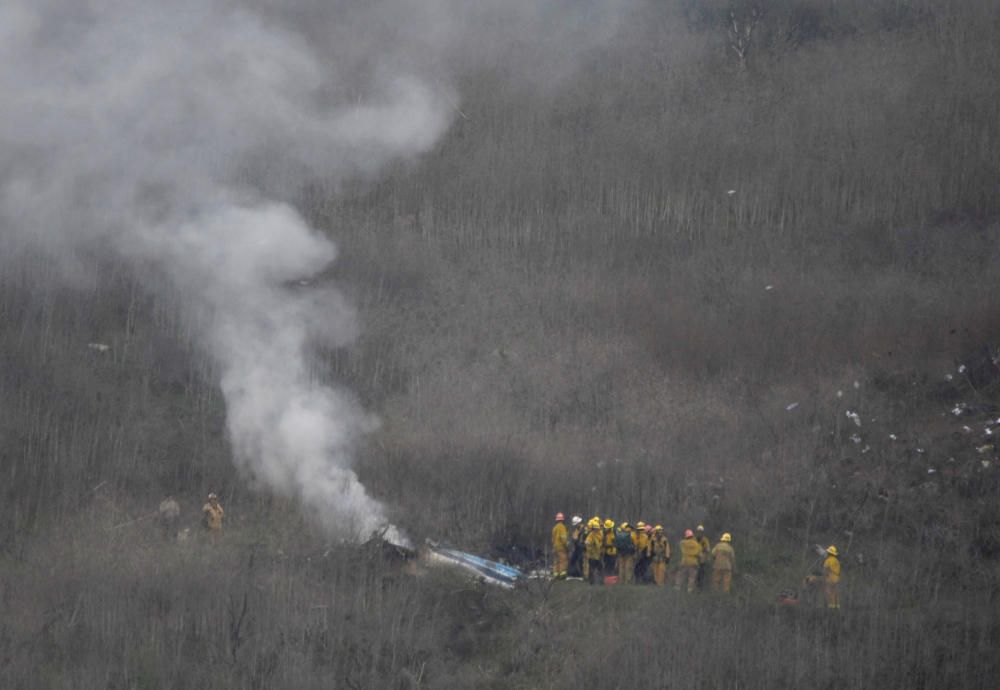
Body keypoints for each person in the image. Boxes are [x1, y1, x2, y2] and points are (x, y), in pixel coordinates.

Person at [584, 518, 604, 585]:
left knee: (600, 569)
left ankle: (600, 581)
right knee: (591, 570)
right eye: (596, 529)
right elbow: (587, 542)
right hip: (592, 555)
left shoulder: (600, 534)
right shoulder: (591, 535)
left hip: (598, 555)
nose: (597, 530)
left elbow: (601, 543)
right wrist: (591, 545)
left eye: (597, 529)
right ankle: (591, 582)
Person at [551, 513, 569, 579]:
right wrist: (566, 545)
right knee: (563, 560)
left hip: (555, 547)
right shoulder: (562, 527)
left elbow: (552, 539)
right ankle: (562, 574)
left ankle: (556, 574)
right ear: (562, 520)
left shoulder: (554, 528)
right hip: (561, 547)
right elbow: (563, 538)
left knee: (556, 561)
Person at [695, 524, 711, 590]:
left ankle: (699, 588)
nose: (699, 533)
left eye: (700, 532)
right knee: (696, 575)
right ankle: (697, 587)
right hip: (696, 560)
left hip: (701, 560)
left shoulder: (704, 540)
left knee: (700, 575)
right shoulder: (694, 539)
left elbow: (707, 549)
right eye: (698, 531)